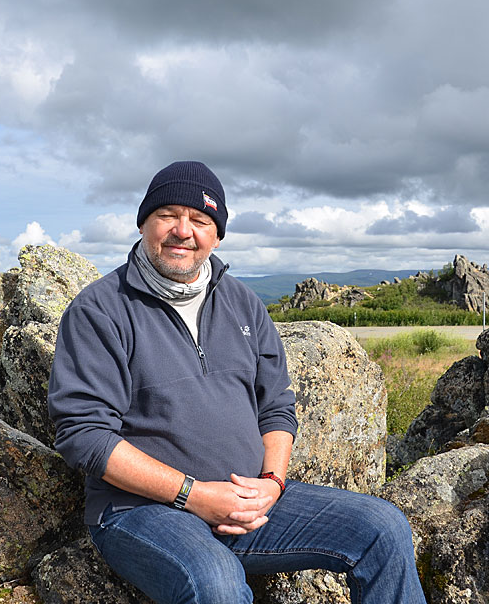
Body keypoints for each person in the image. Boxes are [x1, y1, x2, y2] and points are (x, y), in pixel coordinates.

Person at [48, 161, 426, 604]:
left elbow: (277, 407)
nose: (182, 231)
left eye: (200, 220)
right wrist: (195, 495)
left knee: (383, 529)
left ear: (217, 234)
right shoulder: (100, 310)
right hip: (140, 511)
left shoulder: (243, 302)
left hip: (252, 500)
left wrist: (272, 483)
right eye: (168, 215)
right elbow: (84, 436)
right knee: (216, 583)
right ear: (144, 223)